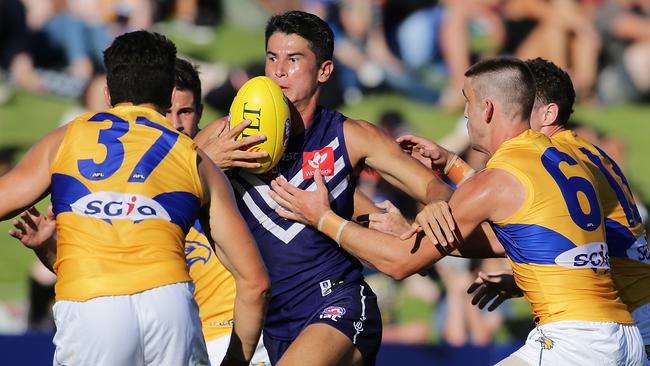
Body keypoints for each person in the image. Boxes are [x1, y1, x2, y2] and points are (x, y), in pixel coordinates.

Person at [268, 56, 644, 365]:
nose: (464, 113)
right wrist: (448, 168)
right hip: (623, 332)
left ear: (488, 108)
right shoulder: (564, 157)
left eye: (467, 101)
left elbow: (401, 263)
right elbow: (516, 231)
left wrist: (321, 218)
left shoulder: (497, 178)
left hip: (577, 340)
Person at [195, 10, 452, 366]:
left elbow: (435, 189)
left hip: (338, 301)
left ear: (324, 71)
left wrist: (436, 205)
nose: (278, 70)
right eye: (272, 58)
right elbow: (164, 190)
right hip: (271, 319)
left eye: (294, 59)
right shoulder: (229, 134)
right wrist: (207, 162)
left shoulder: (351, 136)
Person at [0, 30, 269, 366]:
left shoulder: (67, 139)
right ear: (171, 95)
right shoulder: (196, 159)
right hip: (171, 309)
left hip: (92, 307)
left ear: (107, 92)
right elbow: (255, 283)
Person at [465, 57, 650, 363]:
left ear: (549, 113)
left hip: (621, 319)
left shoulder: (559, 158)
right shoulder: (585, 152)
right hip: (629, 311)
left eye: (523, 109)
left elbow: (502, 236)